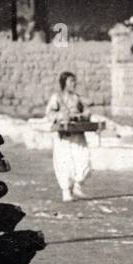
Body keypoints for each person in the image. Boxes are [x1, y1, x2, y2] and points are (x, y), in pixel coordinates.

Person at [46, 70, 94, 202]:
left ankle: (78, 186)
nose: (74, 83)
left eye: (74, 81)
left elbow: (87, 109)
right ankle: (66, 191)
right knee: (64, 162)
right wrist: (60, 116)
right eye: (71, 81)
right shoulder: (56, 97)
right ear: (65, 83)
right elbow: (49, 113)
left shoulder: (77, 98)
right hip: (63, 135)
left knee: (84, 159)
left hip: (77, 133)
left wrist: (84, 115)